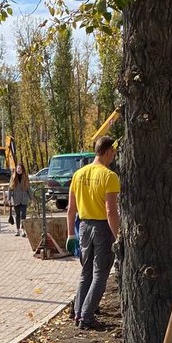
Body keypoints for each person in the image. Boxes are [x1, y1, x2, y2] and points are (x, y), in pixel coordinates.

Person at [66, 135, 120, 330]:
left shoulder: (79, 174)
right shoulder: (109, 176)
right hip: (102, 228)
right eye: (113, 152)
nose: (114, 156)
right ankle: (86, 318)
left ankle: (79, 312)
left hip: (83, 226)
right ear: (107, 152)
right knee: (100, 273)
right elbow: (110, 211)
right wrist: (118, 235)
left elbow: (71, 209)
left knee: (86, 272)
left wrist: (71, 234)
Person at [8, 163, 30, 237]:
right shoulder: (13, 177)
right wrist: (9, 199)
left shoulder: (26, 177)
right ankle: (17, 230)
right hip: (16, 199)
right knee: (17, 215)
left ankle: (23, 231)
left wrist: (32, 198)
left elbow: (28, 188)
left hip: (24, 199)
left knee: (23, 215)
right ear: (16, 169)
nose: (19, 170)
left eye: (20, 169)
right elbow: (10, 189)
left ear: (22, 169)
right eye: (17, 169)